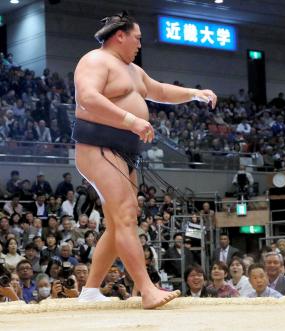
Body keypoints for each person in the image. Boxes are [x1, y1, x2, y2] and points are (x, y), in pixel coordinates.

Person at [72, 11, 216, 309]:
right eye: (137, 38)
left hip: (123, 152)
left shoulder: (133, 71)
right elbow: (87, 96)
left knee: (119, 220)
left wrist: (194, 93)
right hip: (98, 146)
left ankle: (90, 290)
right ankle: (147, 289)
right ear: (119, 35)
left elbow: (159, 91)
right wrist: (130, 119)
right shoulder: (95, 61)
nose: (140, 44)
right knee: (125, 213)